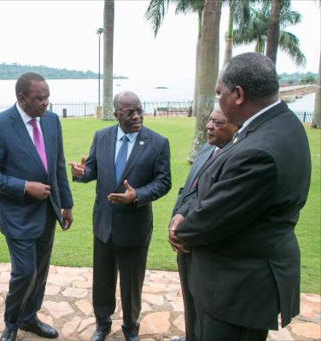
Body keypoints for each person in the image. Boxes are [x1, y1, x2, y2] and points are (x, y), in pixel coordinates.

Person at [170, 52, 311, 341]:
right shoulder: (284, 125)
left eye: (219, 93)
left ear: (238, 94)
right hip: (241, 281)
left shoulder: (259, 150)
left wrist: (180, 228)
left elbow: (214, 216)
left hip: (237, 290)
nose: (217, 100)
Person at [0, 72, 74, 341]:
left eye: (48, 98)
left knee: (40, 272)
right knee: (25, 272)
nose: (46, 103)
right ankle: (11, 322)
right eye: (40, 98)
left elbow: (57, 166)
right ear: (21, 98)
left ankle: (30, 317)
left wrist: (66, 204)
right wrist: (24, 187)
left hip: (48, 212)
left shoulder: (53, 121)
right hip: (17, 214)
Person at [68, 91, 171, 341]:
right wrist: (83, 172)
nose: (137, 116)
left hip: (135, 226)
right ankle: (102, 325)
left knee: (131, 284)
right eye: (129, 112)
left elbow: (164, 181)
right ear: (116, 114)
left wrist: (137, 195)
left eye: (139, 110)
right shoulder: (101, 136)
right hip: (104, 224)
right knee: (102, 281)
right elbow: (93, 169)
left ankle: (130, 328)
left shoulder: (158, 142)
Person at [169, 107, 237, 341]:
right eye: (209, 121)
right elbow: (188, 189)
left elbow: (209, 201)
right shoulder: (207, 149)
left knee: (203, 306)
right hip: (184, 241)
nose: (209, 126)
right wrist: (175, 219)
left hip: (203, 243)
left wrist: (185, 228)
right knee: (190, 301)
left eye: (217, 123)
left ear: (234, 126)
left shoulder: (235, 158)